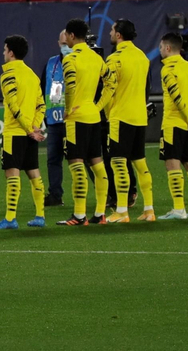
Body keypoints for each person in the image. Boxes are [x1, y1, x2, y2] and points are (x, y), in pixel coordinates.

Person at [0, 36, 47, 230]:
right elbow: (41, 105)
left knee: (12, 174)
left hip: (15, 132)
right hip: (29, 132)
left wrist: (28, 128)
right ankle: (40, 215)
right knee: (34, 173)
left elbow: (13, 106)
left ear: (11, 52)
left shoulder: (8, 74)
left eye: (5, 50)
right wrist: (34, 126)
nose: (3, 53)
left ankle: (10, 218)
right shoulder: (32, 75)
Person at [100, 20, 154, 223]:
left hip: (120, 117)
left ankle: (122, 211)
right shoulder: (143, 57)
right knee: (140, 163)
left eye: (112, 30)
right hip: (140, 117)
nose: (110, 33)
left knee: (118, 163)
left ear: (119, 35)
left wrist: (100, 110)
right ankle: (149, 210)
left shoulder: (114, 59)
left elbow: (109, 89)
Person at [59, 20, 108, 226]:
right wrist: (99, 106)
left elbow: (69, 86)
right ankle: (100, 213)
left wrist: (67, 110)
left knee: (76, 163)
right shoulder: (96, 58)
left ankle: (79, 215)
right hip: (93, 115)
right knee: (97, 163)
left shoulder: (70, 59)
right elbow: (111, 82)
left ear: (71, 35)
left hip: (76, 118)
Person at [157, 34, 188, 219]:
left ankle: (179, 209)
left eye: (161, 46)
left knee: (172, 164)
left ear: (168, 48)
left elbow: (176, 97)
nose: (160, 50)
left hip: (173, 123)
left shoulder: (167, 69)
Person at [42, 37, 67, 207]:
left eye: (67, 43)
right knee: (53, 160)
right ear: (58, 43)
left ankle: (107, 194)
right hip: (54, 120)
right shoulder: (52, 63)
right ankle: (55, 194)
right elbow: (44, 87)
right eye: (63, 43)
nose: (65, 46)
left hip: (74, 119)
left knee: (85, 159)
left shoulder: (79, 61)